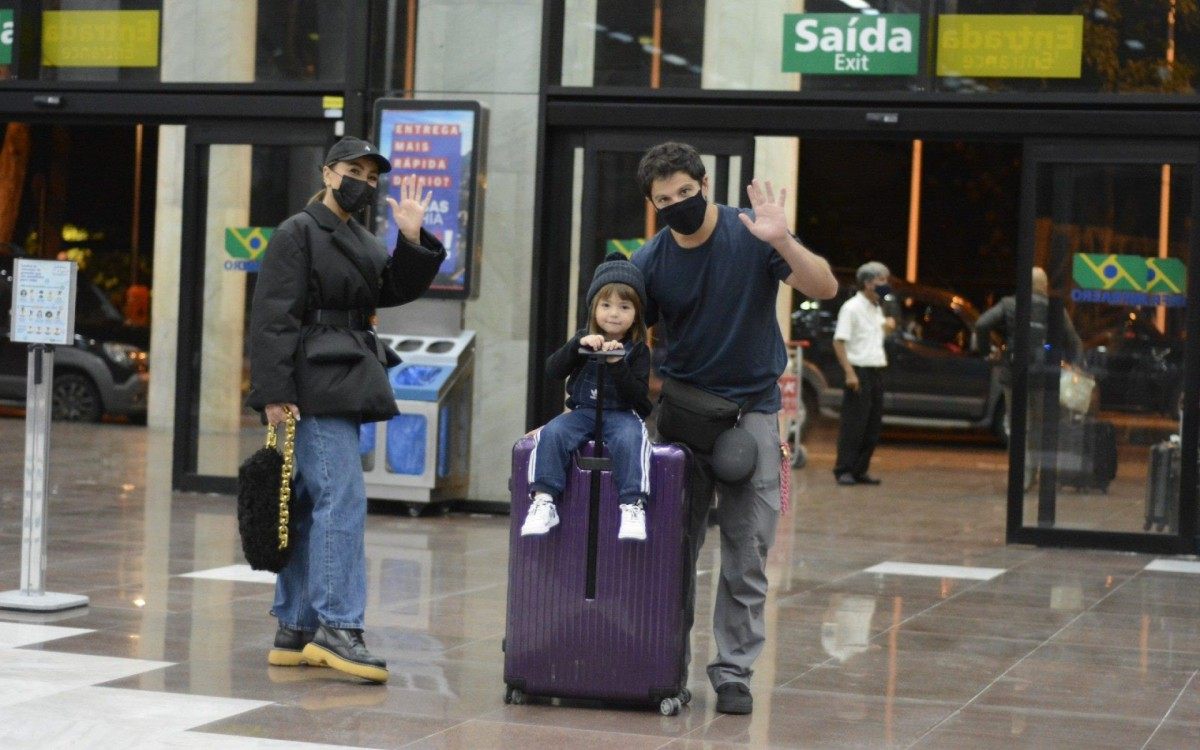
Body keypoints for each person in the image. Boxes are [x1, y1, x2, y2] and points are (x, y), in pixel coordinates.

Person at [631, 141, 837, 715]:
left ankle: (734, 671)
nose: (677, 204)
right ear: (653, 204)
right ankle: (664, 664)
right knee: (673, 549)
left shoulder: (752, 234)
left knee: (747, 552)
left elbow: (824, 287)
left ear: (704, 185)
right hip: (682, 418)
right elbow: (619, 323)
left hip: (753, 413)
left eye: (685, 193)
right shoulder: (651, 261)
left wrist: (783, 240)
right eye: (664, 199)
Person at [247, 136, 446, 684]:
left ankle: (295, 626)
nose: (365, 181)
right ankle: (337, 626)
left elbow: (391, 289)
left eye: (373, 176)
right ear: (329, 173)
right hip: (313, 381)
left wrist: (411, 239)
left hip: (345, 376)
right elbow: (273, 317)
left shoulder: (357, 236)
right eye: (355, 171)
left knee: (312, 502)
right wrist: (273, 393)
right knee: (342, 499)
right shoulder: (299, 231)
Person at [523, 253, 654, 541]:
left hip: (621, 415)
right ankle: (543, 499)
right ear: (594, 308)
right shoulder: (583, 341)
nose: (614, 313)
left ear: (636, 313)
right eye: (606, 305)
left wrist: (617, 364)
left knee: (632, 439)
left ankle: (632, 505)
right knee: (553, 433)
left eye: (624, 306)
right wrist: (575, 346)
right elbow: (553, 370)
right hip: (582, 412)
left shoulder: (638, 351)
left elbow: (638, 397)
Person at [974, 266, 1081, 487]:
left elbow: (981, 323)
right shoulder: (1055, 309)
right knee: (1037, 425)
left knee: (1017, 424)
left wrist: (986, 352)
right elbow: (1074, 341)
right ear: (1044, 285)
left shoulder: (1010, 304)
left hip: (1014, 374)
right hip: (1043, 376)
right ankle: (1033, 472)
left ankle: (1020, 474)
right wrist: (1074, 365)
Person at [831, 262, 896, 486]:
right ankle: (844, 469)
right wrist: (849, 373)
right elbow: (839, 342)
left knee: (872, 425)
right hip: (859, 371)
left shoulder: (877, 307)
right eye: (881, 281)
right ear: (868, 283)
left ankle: (860, 469)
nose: (885, 285)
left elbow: (874, 338)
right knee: (854, 424)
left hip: (877, 370)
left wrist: (887, 328)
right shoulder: (851, 308)